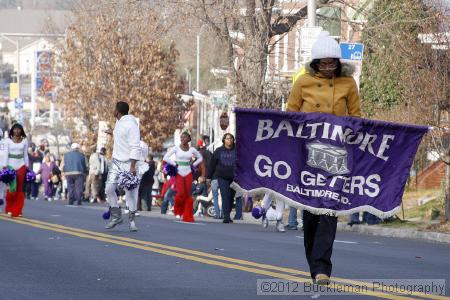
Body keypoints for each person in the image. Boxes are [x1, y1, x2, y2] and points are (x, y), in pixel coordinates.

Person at [287, 31, 361, 285]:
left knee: (329, 208)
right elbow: (290, 116)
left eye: (333, 63)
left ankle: (322, 269)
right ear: (315, 63)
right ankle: (314, 264)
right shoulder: (303, 83)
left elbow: (356, 117)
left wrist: (347, 129)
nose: (328, 68)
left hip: (337, 154)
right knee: (311, 212)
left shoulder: (348, 83)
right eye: (323, 63)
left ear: (339, 64)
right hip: (307, 153)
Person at [104, 101, 142, 232]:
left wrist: (132, 166)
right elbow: (120, 135)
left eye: (114, 109)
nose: (112, 111)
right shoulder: (119, 122)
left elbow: (135, 146)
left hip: (128, 163)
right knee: (109, 189)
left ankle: (132, 221)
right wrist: (112, 132)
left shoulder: (131, 125)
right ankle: (116, 216)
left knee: (130, 193)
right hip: (116, 162)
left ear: (118, 111)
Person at [163, 130, 203, 222]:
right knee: (180, 193)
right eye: (181, 137)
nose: (182, 139)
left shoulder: (192, 149)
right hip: (179, 172)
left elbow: (200, 158)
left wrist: (193, 164)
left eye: (184, 137)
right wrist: (174, 164)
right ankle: (177, 212)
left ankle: (187, 215)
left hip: (188, 172)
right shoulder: (176, 148)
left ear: (189, 139)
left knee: (188, 194)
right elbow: (165, 157)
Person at [207, 133, 237, 224]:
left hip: (234, 178)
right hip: (222, 177)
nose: (230, 140)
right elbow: (212, 164)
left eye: (231, 139)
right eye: (227, 139)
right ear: (224, 140)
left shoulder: (237, 150)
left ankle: (227, 213)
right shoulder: (218, 151)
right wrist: (209, 177)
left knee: (231, 197)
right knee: (225, 196)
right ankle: (226, 217)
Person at [3, 123, 29, 217]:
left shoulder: (25, 140)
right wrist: (4, 165)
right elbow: (6, 153)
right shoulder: (8, 140)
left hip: (21, 165)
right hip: (10, 165)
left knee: (20, 188)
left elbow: (25, 154)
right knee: (12, 188)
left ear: (21, 130)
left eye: (19, 129)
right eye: (15, 129)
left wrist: (27, 166)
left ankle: (18, 210)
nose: (17, 131)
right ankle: (9, 208)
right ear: (12, 130)